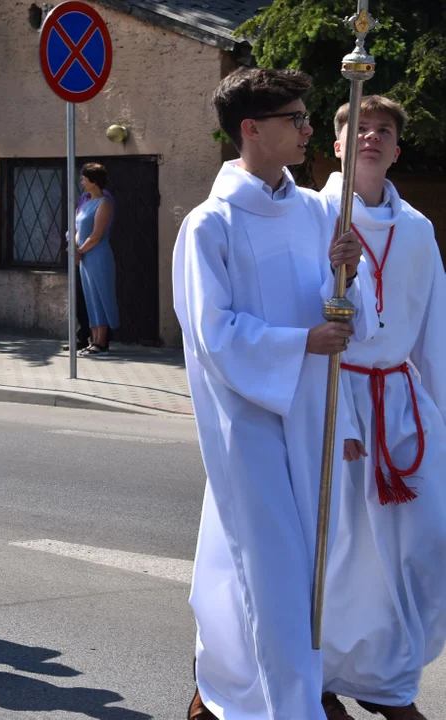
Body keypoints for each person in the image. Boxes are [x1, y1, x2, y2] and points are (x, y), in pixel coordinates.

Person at [173, 68, 375, 720]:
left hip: (311, 413)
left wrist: (348, 274)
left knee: (292, 571)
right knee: (276, 574)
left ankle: (225, 687)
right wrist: (299, 344)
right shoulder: (210, 226)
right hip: (250, 423)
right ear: (250, 129)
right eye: (295, 118)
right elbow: (214, 334)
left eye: (307, 117)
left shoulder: (320, 211)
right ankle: (291, 708)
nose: (308, 129)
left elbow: (351, 319)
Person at [317, 97, 445, 720]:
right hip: (338, 396)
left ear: (397, 149)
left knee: (418, 544)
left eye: (385, 131)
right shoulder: (315, 215)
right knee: (345, 552)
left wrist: (439, 412)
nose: (372, 136)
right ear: (339, 145)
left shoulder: (418, 230)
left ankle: (383, 671)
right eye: (359, 128)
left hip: (400, 403)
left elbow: (434, 332)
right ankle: (325, 680)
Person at [74, 163, 119, 356]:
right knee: (90, 298)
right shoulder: (86, 202)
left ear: (93, 181)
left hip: (98, 255)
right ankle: (93, 340)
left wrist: (80, 251)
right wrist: (75, 248)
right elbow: (79, 230)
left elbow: (96, 235)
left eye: (84, 178)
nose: (82, 181)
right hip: (85, 256)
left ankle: (102, 342)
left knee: (101, 296)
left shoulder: (104, 203)